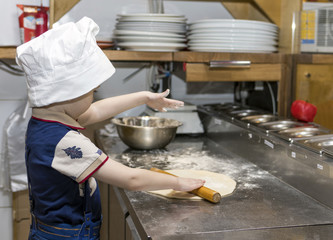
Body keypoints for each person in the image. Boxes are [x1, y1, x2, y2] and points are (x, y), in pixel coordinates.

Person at [16, 17, 205, 240]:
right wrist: (177, 182)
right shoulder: (65, 142)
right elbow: (131, 180)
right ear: (68, 92)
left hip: (48, 230)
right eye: (92, 91)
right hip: (69, 236)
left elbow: (94, 112)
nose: (93, 96)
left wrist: (144, 97)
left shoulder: (42, 121)